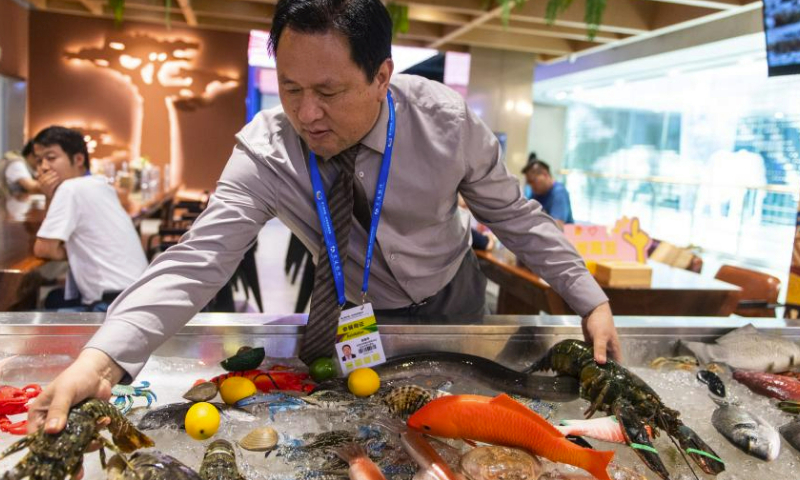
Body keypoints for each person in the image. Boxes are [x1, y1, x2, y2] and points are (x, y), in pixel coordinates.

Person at [29, 0, 620, 436]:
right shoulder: (267, 148)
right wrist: (98, 358)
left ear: (383, 77)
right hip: (354, 314)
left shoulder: (446, 123)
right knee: (366, 434)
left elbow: (514, 215)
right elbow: (196, 259)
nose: (307, 114)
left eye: (330, 92)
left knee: (460, 434)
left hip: (452, 299)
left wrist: (588, 299)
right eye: (290, 88)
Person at [31, 126, 148, 311]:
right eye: (38, 161)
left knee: (40, 309)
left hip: (112, 305)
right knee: (55, 298)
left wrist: (71, 250)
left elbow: (44, 248)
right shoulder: (99, 184)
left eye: (51, 158)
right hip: (138, 295)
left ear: (78, 159)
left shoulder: (70, 188)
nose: (43, 167)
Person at [523, 154, 574, 227]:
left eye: (534, 181)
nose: (532, 186)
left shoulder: (559, 193)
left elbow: (558, 226)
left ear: (545, 174)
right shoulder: (536, 193)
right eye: (529, 183)